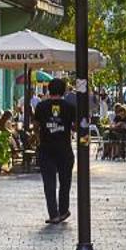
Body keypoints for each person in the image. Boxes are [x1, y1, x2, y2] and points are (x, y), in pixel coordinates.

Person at [32, 77, 77, 226]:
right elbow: (76, 127)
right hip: (64, 149)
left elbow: (35, 126)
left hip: (46, 149)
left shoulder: (41, 106)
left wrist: (39, 137)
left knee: (49, 184)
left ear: (49, 90)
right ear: (64, 91)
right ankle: (63, 211)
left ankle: (54, 214)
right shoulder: (70, 107)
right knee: (65, 182)